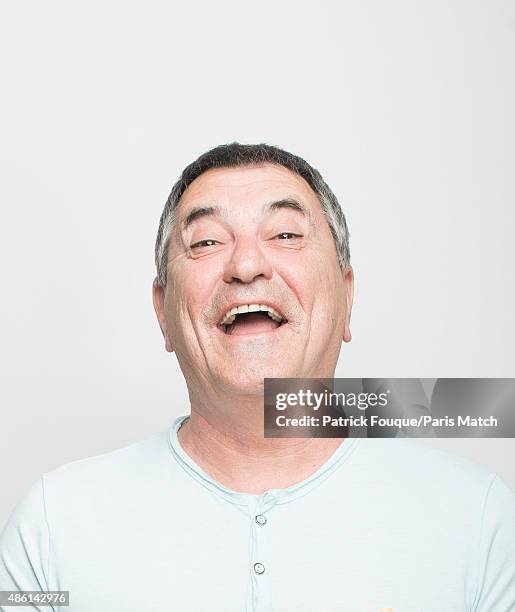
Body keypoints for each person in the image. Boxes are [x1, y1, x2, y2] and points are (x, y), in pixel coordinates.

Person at [0, 143, 514, 611]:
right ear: (163, 311)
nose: (246, 264)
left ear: (347, 294)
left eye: (286, 234)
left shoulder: (480, 520)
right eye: (205, 243)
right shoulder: (55, 524)